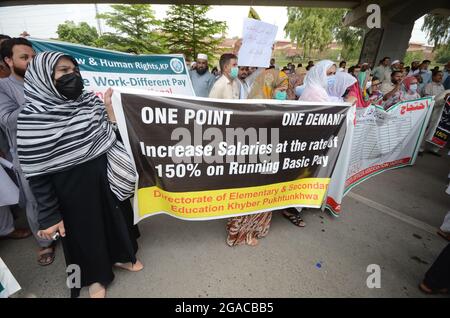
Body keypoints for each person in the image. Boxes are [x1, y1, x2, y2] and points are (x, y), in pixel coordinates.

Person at [16, 51, 142, 298]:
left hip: (104, 178)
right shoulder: (32, 118)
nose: (72, 76)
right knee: (84, 234)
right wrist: (49, 214)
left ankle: (120, 257)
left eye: (74, 71)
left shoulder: (89, 101)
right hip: (70, 191)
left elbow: (109, 137)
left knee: (115, 221)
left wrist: (110, 112)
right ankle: (95, 279)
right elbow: (37, 174)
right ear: (43, 77)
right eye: (63, 71)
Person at [0, 37, 56, 265]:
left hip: (59, 150)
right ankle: (45, 243)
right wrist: (40, 100)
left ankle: (65, 230)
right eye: (24, 58)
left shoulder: (50, 81)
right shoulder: (3, 87)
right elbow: (7, 120)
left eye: (33, 57)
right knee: (36, 201)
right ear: (8, 61)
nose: (31, 62)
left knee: (63, 195)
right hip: (28, 157)